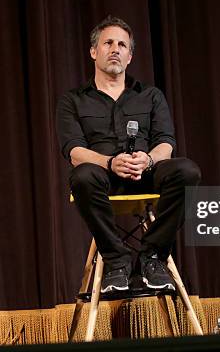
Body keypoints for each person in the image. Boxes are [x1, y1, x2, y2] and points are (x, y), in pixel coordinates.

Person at [56, 16, 201, 293]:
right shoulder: (72, 100)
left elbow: (165, 143)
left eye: (122, 44)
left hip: (145, 173)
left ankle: (153, 256)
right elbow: (73, 151)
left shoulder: (151, 95)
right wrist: (110, 162)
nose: (115, 49)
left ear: (130, 56)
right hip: (102, 178)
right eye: (108, 42)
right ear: (93, 51)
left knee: (187, 171)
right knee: (82, 175)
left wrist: (148, 159)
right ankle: (117, 261)